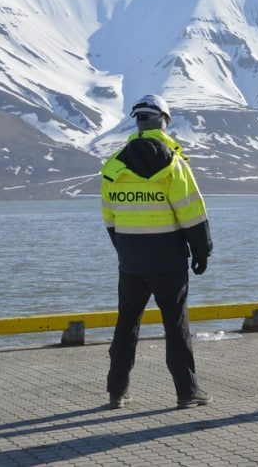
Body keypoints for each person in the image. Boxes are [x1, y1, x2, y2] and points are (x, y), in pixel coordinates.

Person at [100, 94, 213, 410]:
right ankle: (187, 392)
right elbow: (191, 211)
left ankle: (116, 391)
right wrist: (202, 250)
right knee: (176, 327)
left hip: (131, 260)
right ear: (164, 120)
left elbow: (109, 216)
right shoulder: (174, 163)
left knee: (126, 325)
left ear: (138, 122)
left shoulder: (113, 166)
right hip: (167, 260)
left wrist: (124, 248)